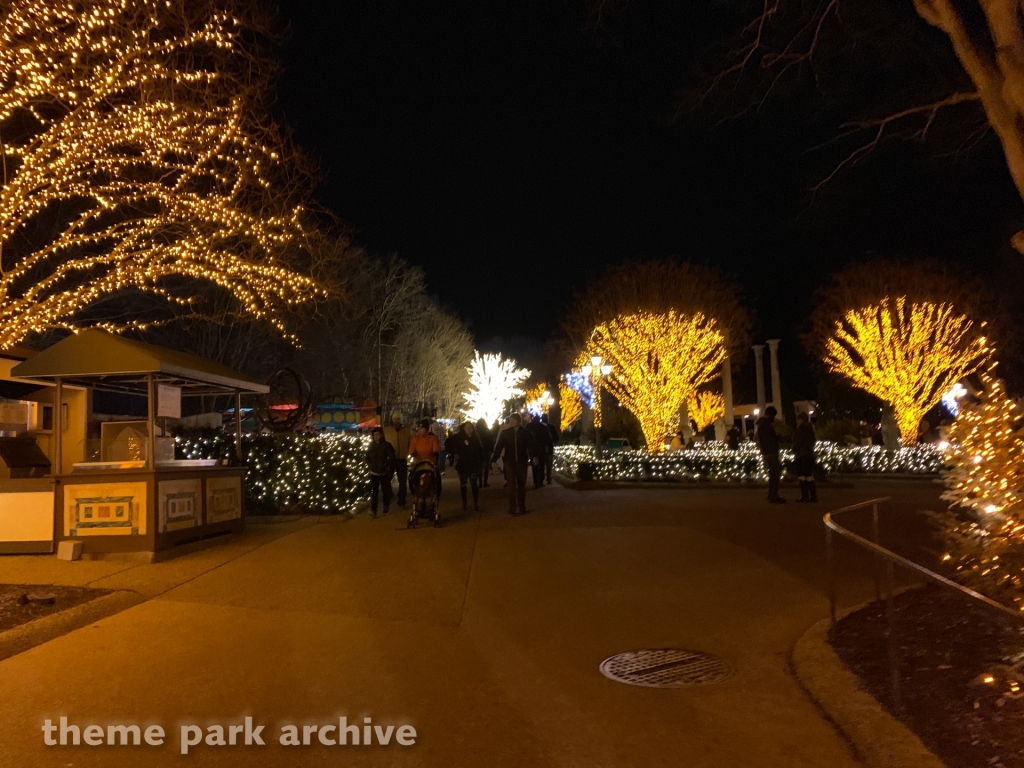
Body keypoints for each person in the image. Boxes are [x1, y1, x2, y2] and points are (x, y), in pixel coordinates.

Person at [490, 413, 539, 515]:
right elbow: (499, 447)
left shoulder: (525, 433)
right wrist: (494, 460)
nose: (511, 422)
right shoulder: (506, 433)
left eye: (513, 420)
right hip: (509, 462)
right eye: (510, 420)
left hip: (522, 462)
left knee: (521, 485)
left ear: (518, 421)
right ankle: (512, 507)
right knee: (511, 486)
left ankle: (522, 507)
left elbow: (531, 446)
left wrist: (534, 456)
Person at [452, 421, 484, 512]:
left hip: (474, 464)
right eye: (467, 427)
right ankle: (464, 502)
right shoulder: (458, 437)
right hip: (463, 464)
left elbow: (480, 450)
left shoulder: (475, 438)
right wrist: (455, 454)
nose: (469, 429)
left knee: (474, 484)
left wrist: (481, 461)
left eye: (470, 427)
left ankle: (475, 502)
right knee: (463, 484)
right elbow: (450, 446)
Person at [756, 406, 785, 503]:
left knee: (773, 474)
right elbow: (769, 439)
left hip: (767, 452)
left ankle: (772, 494)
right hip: (771, 452)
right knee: (774, 474)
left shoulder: (762, 424)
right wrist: (778, 438)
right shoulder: (766, 425)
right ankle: (773, 495)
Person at [365, 426, 396, 518]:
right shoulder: (371, 445)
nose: (376, 436)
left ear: (381, 435)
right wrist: (370, 465)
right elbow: (367, 457)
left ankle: (386, 507)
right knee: (374, 492)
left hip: (383, 472)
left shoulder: (386, 445)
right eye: (374, 435)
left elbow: (391, 457)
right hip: (373, 472)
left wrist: (386, 466)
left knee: (385, 490)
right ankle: (373, 510)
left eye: (377, 434)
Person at [383, 411, 411, 508]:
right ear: (392, 419)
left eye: (398, 419)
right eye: (395, 419)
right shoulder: (387, 431)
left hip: (402, 459)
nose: (397, 421)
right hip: (390, 459)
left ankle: (402, 500)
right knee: (387, 479)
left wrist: (408, 453)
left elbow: (410, 443)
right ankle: (389, 496)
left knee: (402, 481)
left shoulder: (406, 431)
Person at [410, 419, 441, 498]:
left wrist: (435, 455)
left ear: (426, 429)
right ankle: (414, 492)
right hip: (419, 463)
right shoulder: (416, 439)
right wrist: (413, 454)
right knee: (411, 477)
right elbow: (412, 449)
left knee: (437, 478)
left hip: (430, 462)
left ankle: (437, 495)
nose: (419, 430)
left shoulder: (432, 438)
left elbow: (436, 449)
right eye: (419, 428)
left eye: (422, 428)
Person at [793, 411, 818, 503]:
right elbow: (812, 441)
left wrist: (794, 449)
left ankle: (805, 496)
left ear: (800, 420)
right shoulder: (810, 429)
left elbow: (797, 442)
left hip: (801, 454)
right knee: (809, 476)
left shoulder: (800, 430)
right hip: (809, 454)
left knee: (802, 476)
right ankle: (813, 496)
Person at [524, 412, 552, 489]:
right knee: (542, 464)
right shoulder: (543, 427)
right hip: (541, 448)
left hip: (532, 448)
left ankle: (536, 481)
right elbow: (548, 439)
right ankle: (540, 480)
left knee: (534, 465)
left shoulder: (529, 426)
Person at [476, 418, 494, 487]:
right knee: (486, 467)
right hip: (487, 451)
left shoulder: (476, 432)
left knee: (479, 467)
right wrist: (491, 450)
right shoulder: (487, 431)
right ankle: (485, 482)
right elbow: (491, 441)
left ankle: (480, 482)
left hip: (478, 451)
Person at [542, 414, 559, 484]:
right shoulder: (551, 427)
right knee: (548, 464)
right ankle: (548, 478)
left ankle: (545, 478)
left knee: (544, 464)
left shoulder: (541, 427)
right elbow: (556, 437)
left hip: (544, 448)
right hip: (548, 447)